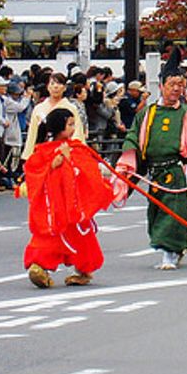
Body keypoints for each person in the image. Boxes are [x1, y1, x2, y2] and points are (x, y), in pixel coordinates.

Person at [116, 48, 187, 270]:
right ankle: (174, 248)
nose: (176, 89)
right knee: (156, 212)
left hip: (175, 172)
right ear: (162, 86)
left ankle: (170, 253)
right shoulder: (147, 113)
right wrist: (128, 157)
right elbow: (133, 138)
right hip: (154, 173)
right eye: (172, 84)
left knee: (175, 212)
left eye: (180, 85)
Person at [22, 107, 117, 288]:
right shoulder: (43, 152)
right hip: (56, 206)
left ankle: (81, 270)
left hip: (73, 205)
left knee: (77, 237)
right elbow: (34, 172)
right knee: (50, 238)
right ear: (59, 126)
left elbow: (84, 170)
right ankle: (41, 268)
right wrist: (54, 164)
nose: (73, 128)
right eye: (70, 124)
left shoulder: (75, 148)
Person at [22, 72, 86, 162]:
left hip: (64, 150)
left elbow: (77, 132)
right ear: (48, 87)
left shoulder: (71, 108)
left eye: (59, 84)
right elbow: (32, 134)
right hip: (43, 152)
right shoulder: (39, 108)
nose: (55, 87)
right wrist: (28, 155)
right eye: (52, 83)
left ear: (64, 88)